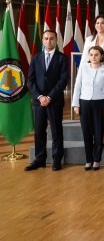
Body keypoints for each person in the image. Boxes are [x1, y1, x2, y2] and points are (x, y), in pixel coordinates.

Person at [25, 30, 70, 171]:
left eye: (52, 39)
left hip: (54, 100)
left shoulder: (62, 58)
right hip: (38, 102)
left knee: (56, 131)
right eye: (46, 39)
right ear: (43, 41)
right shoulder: (36, 57)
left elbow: (63, 80)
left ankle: (57, 160)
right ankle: (40, 159)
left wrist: (49, 96)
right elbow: (30, 80)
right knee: (39, 131)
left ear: (56, 41)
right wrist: (40, 97)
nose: (49, 41)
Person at [81, 14, 104, 145]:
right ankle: (93, 135)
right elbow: (84, 60)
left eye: (102, 23)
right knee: (91, 110)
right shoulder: (88, 39)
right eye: (97, 23)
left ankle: (103, 133)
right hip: (90, 75)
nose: (100, 25)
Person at [72, 46, 104, 171]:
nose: (93, 57)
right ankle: (88, 159)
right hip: (84, 103)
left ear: (101, 56)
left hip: (100, 103)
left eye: (96, 55)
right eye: (91, 55)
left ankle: (97, 160)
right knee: (86, 132)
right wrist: (76, 104)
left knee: (98, 133)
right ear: (88, 56)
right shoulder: (83, 68)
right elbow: (77, 86)